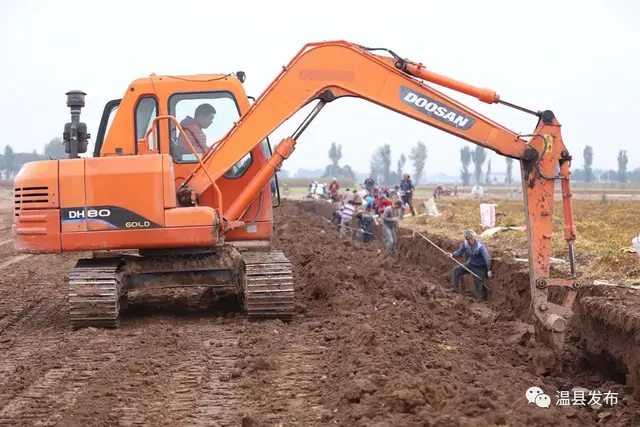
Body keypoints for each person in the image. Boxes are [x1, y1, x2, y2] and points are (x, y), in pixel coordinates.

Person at [447, 230, 493, 300]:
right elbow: (460, 251)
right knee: (456, 270)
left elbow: (487, 258)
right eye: (468, 239)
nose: (469, 241)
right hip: (470, 264)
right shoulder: (466, 244)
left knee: (477, 281)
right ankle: (454, 288)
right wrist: (452, 254)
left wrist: (489, 270)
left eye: (471, 239)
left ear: (474, 238)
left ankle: (480, 299)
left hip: (480, 268)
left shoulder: (480, 246)